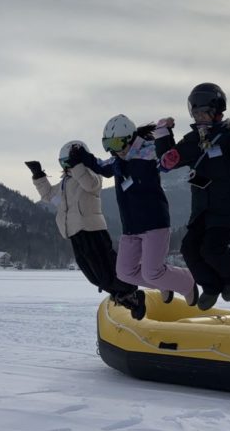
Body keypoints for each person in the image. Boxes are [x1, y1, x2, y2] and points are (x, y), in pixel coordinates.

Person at [69, 115, 198, 316]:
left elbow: (160, 160)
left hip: (154, 223)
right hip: (131, 227)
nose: (114, 149)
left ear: (129, 138)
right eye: (109, 144)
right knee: (125, 272)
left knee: (151, 271)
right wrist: (82, 156)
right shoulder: (118, 160)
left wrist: (165, 131)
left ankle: (187, 282)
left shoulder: (148, 152)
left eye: (117, 142)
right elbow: (101, 167)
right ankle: (164, 283)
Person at [155, 83, 230, 311]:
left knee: (211, 249)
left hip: (227, 210)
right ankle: (210, 286)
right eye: (196, 113)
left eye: (204, 112)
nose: (200, 117)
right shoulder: (193, 140)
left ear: (218, 111)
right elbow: (167, 161)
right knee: (189, 249)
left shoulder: (229, 135)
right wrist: (163, 136)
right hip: (202, 211)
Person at [28, 141, 144, 317]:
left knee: (106, 269)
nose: (67, 166)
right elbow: (49, 196)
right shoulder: (65, 183)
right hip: (74, 233)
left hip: (92, 229)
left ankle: (131, 292)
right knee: (92, 275)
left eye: (70, 161)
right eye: (64, 162)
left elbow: (90, 185)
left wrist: (79, 165)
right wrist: (39, 176)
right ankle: (124, 296)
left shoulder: (91, 174)